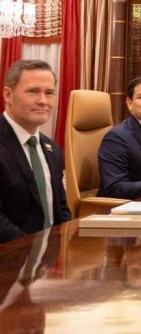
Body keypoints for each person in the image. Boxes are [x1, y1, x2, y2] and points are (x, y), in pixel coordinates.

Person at [0, 60, 71, 244]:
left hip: (49, 256)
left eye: (49, 93)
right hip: (11, 255)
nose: (43, 101)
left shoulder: (52, 149)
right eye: (33, 91)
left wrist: (63, 246)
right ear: (8, 95)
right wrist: (29, 252)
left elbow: (61, 209)